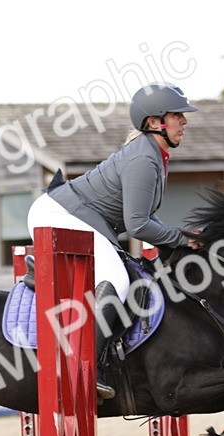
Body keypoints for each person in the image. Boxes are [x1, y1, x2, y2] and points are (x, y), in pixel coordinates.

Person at [26, 82, 203, 400]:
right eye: (178, 115)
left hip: (72, 214)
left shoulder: (155, 157)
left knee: (130, 272)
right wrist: (178, 238)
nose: (185, 121)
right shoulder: (143, 160)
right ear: (154, 122)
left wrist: (181, 237)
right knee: (119, 280)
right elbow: (137, 225)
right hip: (59, 215)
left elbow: (145, 217)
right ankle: (87, 370)